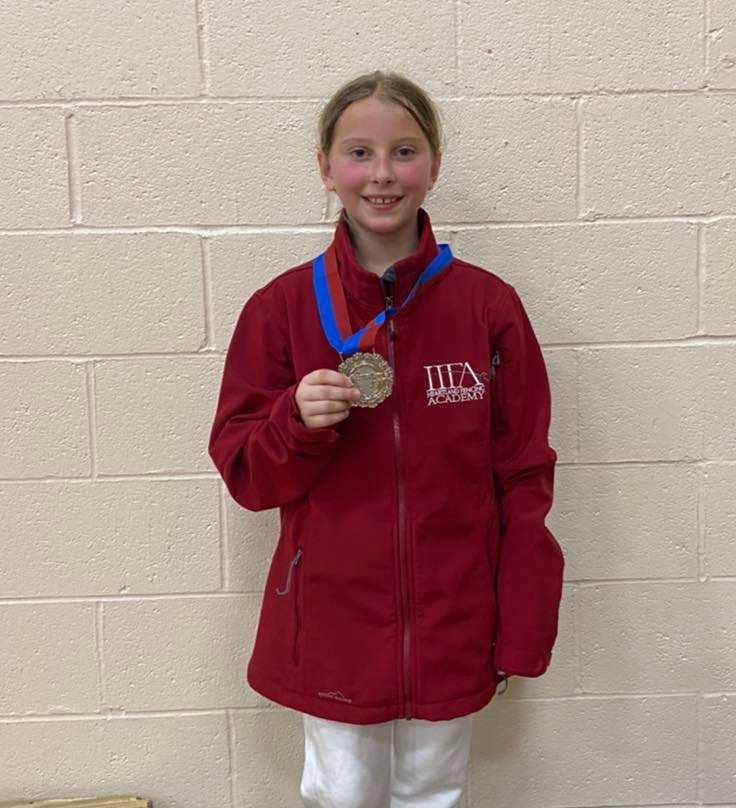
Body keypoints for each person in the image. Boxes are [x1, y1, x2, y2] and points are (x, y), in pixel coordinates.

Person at [207, 70, 564, 808]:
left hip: (456, 615)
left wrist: (521, 622)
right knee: (344, 794)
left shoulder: (487, 307)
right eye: (359, 152)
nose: (381, 174)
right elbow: (246, 475)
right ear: (325, 168)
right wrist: (294, 423)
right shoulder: (281, 309)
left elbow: (524, 473)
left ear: (434, 164)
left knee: (435, 790)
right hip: (333, 621)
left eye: (404, 151)